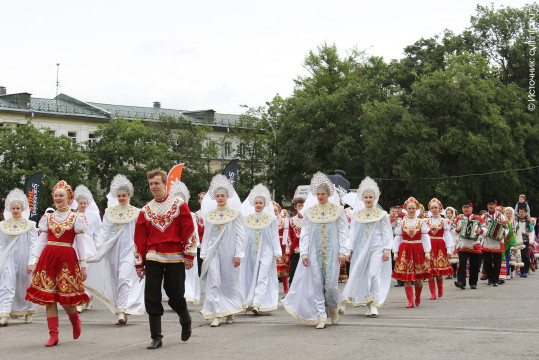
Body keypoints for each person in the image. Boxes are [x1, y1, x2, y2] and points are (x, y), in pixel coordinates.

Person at [25, 180, 96, 347]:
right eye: (56, 195)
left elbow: (80, 243)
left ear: (69, 198)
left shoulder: (76, 217)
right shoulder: (48, 217)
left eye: (61, 195)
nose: (58, 198)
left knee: (66, 300)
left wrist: (83, 265)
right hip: (48, 259)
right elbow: (41, 241)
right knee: (49, 298)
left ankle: (74, 319)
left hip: (66, 259)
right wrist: (33, 261)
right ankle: (53, 335)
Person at [134, 169, 196, 349]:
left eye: (157, 183)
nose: (154, 187)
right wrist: (139, 263)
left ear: (164, 184)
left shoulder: (179, 205)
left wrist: (189, 254)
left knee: (175, 295)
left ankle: (185, 319)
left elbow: (188, 230)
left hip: (175, 257)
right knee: (151, 296)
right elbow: (139, 239)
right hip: (153, 256)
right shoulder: (145, 210)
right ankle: (156, 336)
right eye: (151, 184)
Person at [282, 172, 350, 329]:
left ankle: (333, 308)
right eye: (318, 194)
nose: (320, 197)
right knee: (317, 283)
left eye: (323, 194)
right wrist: (304, 253)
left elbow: (343, 231)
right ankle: (321, 315)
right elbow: (305, 233)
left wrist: (343, 252)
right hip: (314, 252)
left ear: (329, 194)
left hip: (332, 252)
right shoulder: (310, 211)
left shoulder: (337, 210)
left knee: (331, 285)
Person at [84, 174, 144, 325]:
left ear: (129, 195)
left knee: (124, 278)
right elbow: (104, 232)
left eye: (124, 195)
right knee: (114, 279)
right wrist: (97, 249)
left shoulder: (137, 212)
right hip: (112, 250)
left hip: (129, 249)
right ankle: (118, 308)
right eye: (119, 196)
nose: (121, 198)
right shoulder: (110, 213)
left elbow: (140, 233)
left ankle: (123, 310)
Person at [200, 174, 246, 327]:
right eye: (217, 196)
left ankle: (230, 309)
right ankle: (216, 313)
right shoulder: (210, 215)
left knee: (228, 282)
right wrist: (204, 253)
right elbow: (206, 236)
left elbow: (240, 234)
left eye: (222, 196)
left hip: (229, 252)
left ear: (227, 196)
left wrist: (238, 253)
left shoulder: (235, 214)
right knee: (214, 281)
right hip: (213, 252)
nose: (220, 198)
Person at [342, 177, 392, 317]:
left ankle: (374, 304)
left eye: (370, 197)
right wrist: (349, 250)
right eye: (366, 197)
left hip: (377, 248)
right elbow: (353, 233)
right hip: (361, 248)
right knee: (360, 274)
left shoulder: (382, 215)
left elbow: (386, 232)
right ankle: (365, 302)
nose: (368, 199)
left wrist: (386, 249)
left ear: (375, 198)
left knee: (373, 274)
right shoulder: (357, 215)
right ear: (362, 198)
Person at [240, 184, 282, 315]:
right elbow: (243, 236)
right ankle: (250, 300)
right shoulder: (247, 219)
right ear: (253, 204)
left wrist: (277, 253)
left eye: (260, 203)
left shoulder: (271, 219)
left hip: (266, 252)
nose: (258, 205)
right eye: (256, 203)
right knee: (252, 276)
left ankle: (258, 303)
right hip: (250, 252)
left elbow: (275, 236)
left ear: (265, 204)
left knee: (263, 276)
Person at [0, 189, 37, 326]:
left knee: (25, 285)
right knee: (6, 284)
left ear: (22, 209)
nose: (15, 210)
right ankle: (4, 313)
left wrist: (32, 262)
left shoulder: (30, 225)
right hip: (9, 258)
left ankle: (28, 311)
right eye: (13, 208)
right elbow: (1, 244)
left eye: (18, 208)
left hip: (24, 258)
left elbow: (34, 244)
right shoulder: (3, 225)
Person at [392, 197, 431, 308]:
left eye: (413, 208)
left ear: (416, 209)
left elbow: (425, 238)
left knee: (418, 277)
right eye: (409, 208)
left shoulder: (421, 222)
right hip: (405, 249)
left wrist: (427, 252)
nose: (411, 210)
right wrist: (395, 252)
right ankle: (410, 300)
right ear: (405, 209)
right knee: (406, 276)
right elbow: (398, 238)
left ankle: (417, 296)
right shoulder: (401, 222)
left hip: (417, 249)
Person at [169, 181, 201, 305]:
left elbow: (194, 230)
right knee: (175, 273)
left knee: (189, 271)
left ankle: (188, 294)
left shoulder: (191, 215)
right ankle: (175, 295)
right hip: (174, 246)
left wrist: (194, 245)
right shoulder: (170, 215)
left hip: (187, 246)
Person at [73, 185, 102, 313]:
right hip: (75, 246)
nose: (83, 205)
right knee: (76, 272)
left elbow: (98, 232)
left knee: (85, 273)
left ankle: (86, 297)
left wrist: (98, 248)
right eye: (81, 203)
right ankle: (79, 298)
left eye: (85, 203)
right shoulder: (72, 216)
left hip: (89, 247)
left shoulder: (93, 216)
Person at [425, 198, 454, 300]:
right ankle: (432, 293)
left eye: (436, 208)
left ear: (440, 209)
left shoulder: (444, 221)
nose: (434, 209)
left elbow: (447, 235)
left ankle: (440, 288)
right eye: (432, 208)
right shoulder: (425, 221)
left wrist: (449, 249)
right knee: (429, 270)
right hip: (429, 246)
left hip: (440, 246)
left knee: (438, 270)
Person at [453, 201, 486, 290]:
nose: (466, 209)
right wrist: (457, 230)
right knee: (462, 264)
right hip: (463, 244)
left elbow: (485, 228)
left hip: (475, 244)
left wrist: (480, 231)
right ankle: (461, 282)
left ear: (471, 208)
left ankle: (473, 283)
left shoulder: (478, 218)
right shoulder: (459, 218)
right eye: (464, 207)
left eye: (468, 207)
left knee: (475, 265)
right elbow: (452, 230)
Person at [481, 198, 507, 287]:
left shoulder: (501, 216)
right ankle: (490, 278)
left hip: (498, 243)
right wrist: (484, 231)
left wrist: (503, 234)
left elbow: (506, 228)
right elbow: (481, 226)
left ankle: (495, 280)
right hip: (487, 242)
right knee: (487, 262)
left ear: (495, 206)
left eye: (492, 205)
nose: (490, 206)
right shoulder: (484, 216)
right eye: (489, 204)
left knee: (497, 262)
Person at [274, 201, 291, 293]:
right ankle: (273, 288)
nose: (273, 212)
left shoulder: (284, 220)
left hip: (281, 244)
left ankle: (285, 286)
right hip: (271, 244)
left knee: (283, 268)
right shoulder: (268, 220)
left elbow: (286, 233)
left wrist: (285, 245)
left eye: (275, 210)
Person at [288, 197, 305, 285]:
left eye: (303, 205)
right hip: (296, 250)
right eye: (299, 205)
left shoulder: (309, 219)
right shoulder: (291, 220)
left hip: (307, 249)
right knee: (293, 272)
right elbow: (289, 236)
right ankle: (291, 293)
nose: (301, 207)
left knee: (306, 273)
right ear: (295, 207)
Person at [515, 206, 535, 278]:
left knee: (525, 255)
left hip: (525, 240)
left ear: (525, 212)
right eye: (520, 212)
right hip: (518, 240)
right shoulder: (517, 220)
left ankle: (525, 270)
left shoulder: (528, 221)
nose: (521, 214)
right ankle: (521, 270)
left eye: (522, 212)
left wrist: (530, 223)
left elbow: (531, 230)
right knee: (519, 255)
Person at [445, 207, 459, 279]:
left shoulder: (455, 221)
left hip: (454, 238)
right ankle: (449, 273)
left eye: (450, 213)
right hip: (447, 239)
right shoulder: (444, 221)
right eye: (447, 213)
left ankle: (455, 272)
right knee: (448, 255)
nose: (448, 215)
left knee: (454, 256)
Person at [194, 192, 206, 276]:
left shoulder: (212, 214)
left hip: (210, 245)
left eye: (205, 198)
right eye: (202, 198)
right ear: (199, 200)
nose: (203, 200)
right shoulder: (195, 215)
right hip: (199, 245)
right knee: (198, 269)